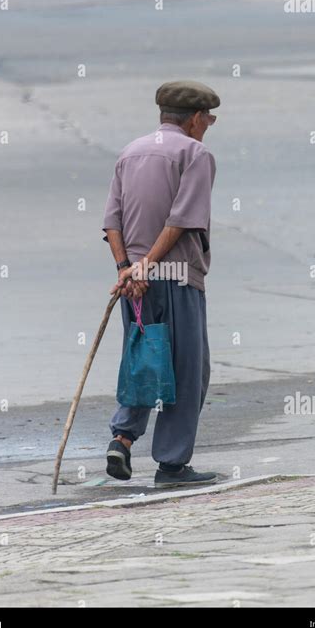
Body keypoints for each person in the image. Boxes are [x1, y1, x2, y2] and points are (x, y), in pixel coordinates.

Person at [102, 80, 219, 488]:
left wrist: (126, 267)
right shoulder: (195, 153)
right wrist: (148, 266)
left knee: (142, 359)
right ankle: (171, 465)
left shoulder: (130, 152)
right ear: (194, 119)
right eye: (209, 118)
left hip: (132, 282)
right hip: (174, 277)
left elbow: (112, 221)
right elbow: (182, 220)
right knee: (189, 370)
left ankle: (122, 438)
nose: (210, 124)